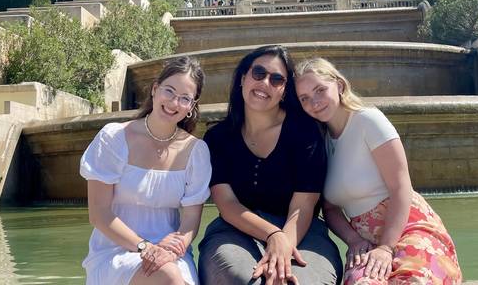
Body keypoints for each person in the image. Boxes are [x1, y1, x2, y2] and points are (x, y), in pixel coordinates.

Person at [295, 58, 463, 285]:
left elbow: (401, 187)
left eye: (320, 90)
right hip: (366, 242)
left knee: (412, 280)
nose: (314, 102)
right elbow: (330, 207)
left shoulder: (368, 120)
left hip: (409, 228)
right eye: (304, 98)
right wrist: (353, 240)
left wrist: (386, 246)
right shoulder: (320, 141)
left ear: (340, 86)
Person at [198, 46, 343, 285]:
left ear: (285, 91)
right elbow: (227, 203)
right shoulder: (218, 138)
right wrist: (272, 234)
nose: (265, 82)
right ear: (243, 78)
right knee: (239, 278)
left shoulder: (305, 132)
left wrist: (283, 246)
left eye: (277, 79)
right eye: (258, 73)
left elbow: (303, 204)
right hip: (235, 229)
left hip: (301, 232)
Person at [80, 57, 212, 285]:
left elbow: (191, 220)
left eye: (184, 98)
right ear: (154, 89)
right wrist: (145, 247)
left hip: (171, 253)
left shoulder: (196, 151)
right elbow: (99, 214)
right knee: (169, 276)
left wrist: (176, 246)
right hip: (116, 249)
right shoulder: (113, 138)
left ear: (191, 106)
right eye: (169, 91)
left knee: (173, 274)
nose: (174, 103)